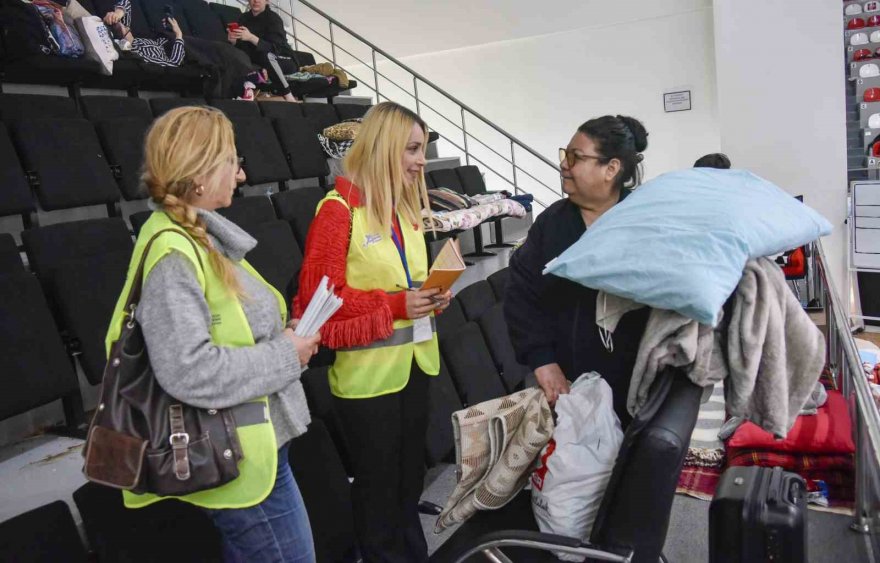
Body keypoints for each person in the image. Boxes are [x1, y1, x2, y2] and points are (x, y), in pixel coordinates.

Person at [104, 106, 320, 563]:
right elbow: (190, 371)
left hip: (249, 450)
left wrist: (284, 337)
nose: (240, 175)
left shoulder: (199, 236)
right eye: (231, 162)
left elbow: (232, 332)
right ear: (199, 172)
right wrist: (287, 354)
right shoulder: (173, 254)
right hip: (234, 457)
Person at [294, 101, 452, 563]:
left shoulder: (404, 207)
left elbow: (403, 281)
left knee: (406, 484)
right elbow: (316, 308)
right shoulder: (338, 210)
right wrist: (399, 304)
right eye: (413, 149)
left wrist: (430, 295)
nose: (422, 160)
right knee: (379, 492)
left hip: (416, 365)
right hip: (368, 382)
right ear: (384, 148)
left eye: (423, 149)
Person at [504, 115, 650, 426]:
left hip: (636, 384)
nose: (564, 165)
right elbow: (521, 295)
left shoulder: (645, 222)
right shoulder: (551, 224)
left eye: (576, 157)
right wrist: (542, 360)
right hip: (566, 386)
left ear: (611, 169)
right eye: (565, 154)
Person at [229, 0, 300, 102]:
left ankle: (288, 95)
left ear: (267, 1)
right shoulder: (243, 18)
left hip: (284, 59)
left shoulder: (273, 18)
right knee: (236, 55)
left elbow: (276, 49)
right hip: (260, 60)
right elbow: (243, 49)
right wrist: (233, 41)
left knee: (267, 55)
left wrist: (251, 38)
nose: (256, 1)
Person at [104, 0, 184, 67]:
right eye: (125, 29)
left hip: (167, 40)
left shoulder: (131, 40)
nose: (127, 27)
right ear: (124, 42)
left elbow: (126, 3)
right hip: (180, 48)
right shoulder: (142, 55)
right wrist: (179, 34)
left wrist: (117, 14)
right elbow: (174, 64)